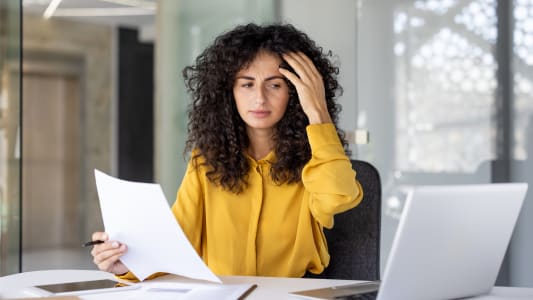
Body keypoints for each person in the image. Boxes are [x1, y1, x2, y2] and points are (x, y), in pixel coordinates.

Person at [90, 23, 363, 280]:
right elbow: (176, 246)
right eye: (246, 84)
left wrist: (318, 111)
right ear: (228, 91)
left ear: (296, 93)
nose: (259, 98)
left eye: (275, 85)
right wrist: (128, 264)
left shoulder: (317, 162)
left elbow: (337, 199)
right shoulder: (206, 162)